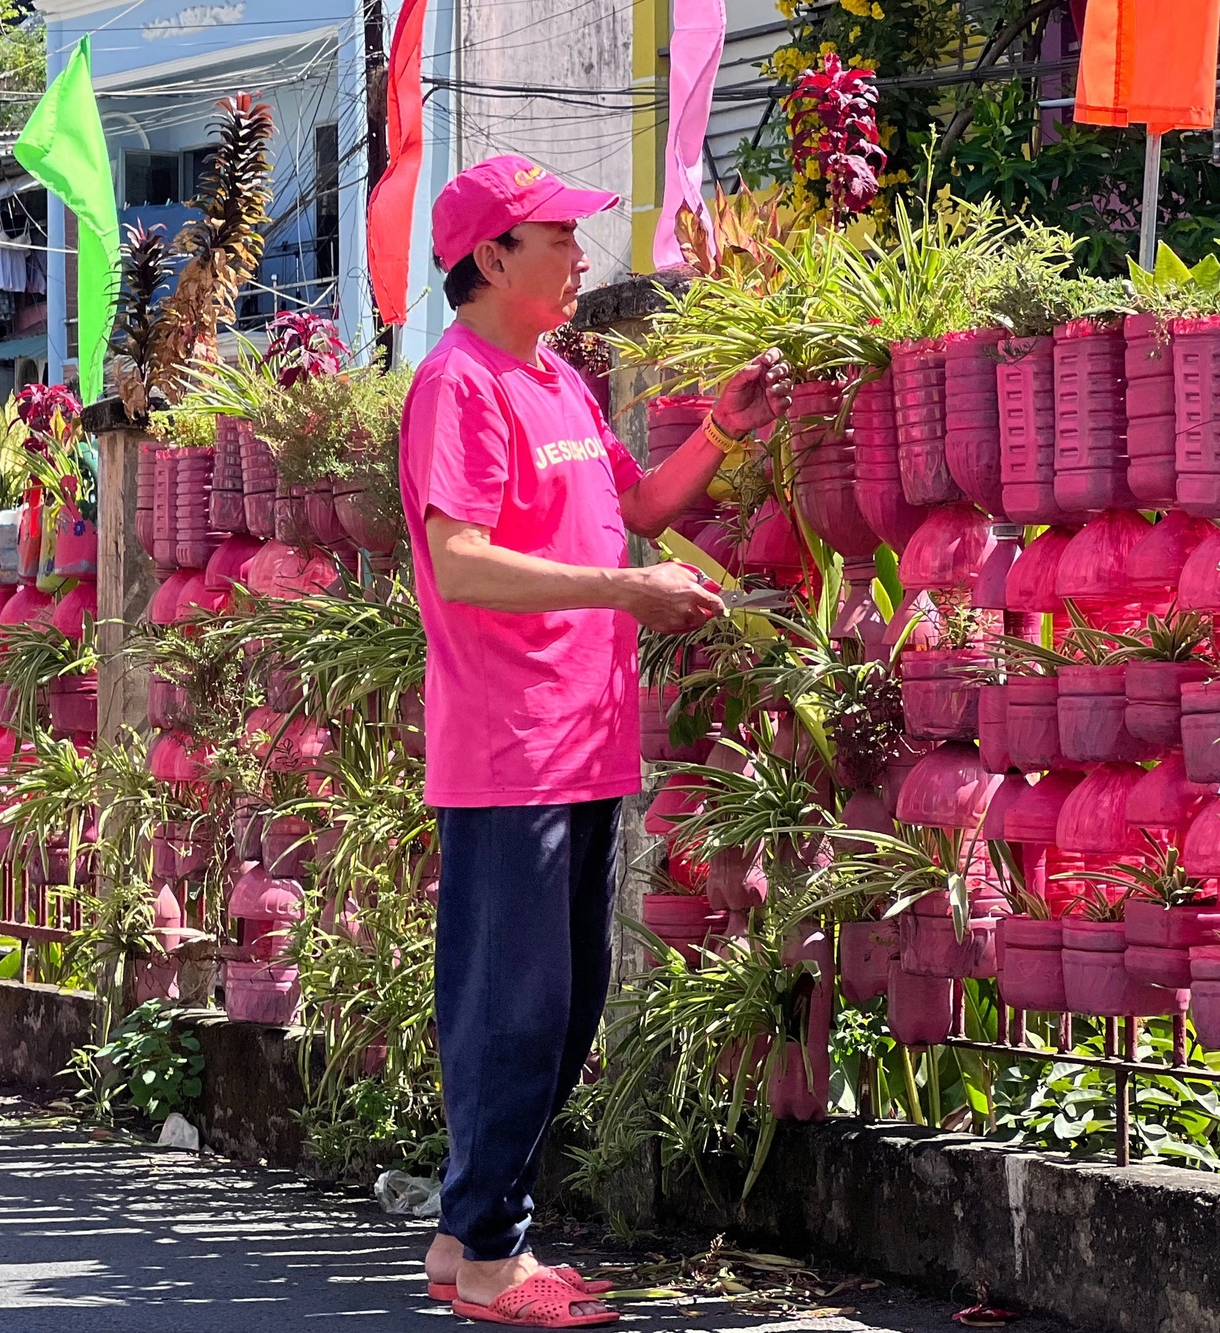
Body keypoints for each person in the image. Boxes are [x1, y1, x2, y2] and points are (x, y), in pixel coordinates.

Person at [399, 155, 792, 1328]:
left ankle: (465, 1235)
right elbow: (459, 561)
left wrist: (721, 426)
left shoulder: (557, 382)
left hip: (582, 739)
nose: (581, 258)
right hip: (505, 746)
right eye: (556, 239)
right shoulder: (456, 385)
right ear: (488, 258)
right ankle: (487, 1262)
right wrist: (626, 593)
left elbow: (640, 508)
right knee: (510, 1008)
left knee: (563, 1008)